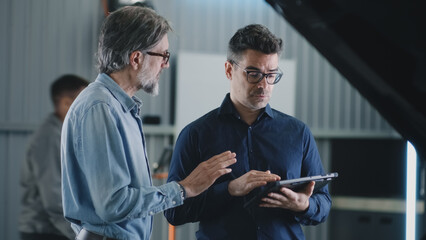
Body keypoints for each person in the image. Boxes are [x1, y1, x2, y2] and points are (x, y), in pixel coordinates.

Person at [60, 6, 236, 240]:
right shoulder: (100, 108)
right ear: (136, 58)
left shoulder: (119, 107)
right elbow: (113, 204)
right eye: (163, 55)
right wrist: (184, 189)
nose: (166, 64)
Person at [164, 24, 332, 240]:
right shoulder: (195, 134)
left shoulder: (298, 133)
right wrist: (230, 189)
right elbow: (174, 211)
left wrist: (304, 204)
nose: (264, 85)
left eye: (271, 75)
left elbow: (324, 203)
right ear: (228, 70)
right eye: (254, 73)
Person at [19, 74, 89, 240]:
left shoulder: (63, 134)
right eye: (84, 101)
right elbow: (54, 198)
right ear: (66, 103)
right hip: (46, 231)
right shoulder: (50, 138)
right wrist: (80, 235)